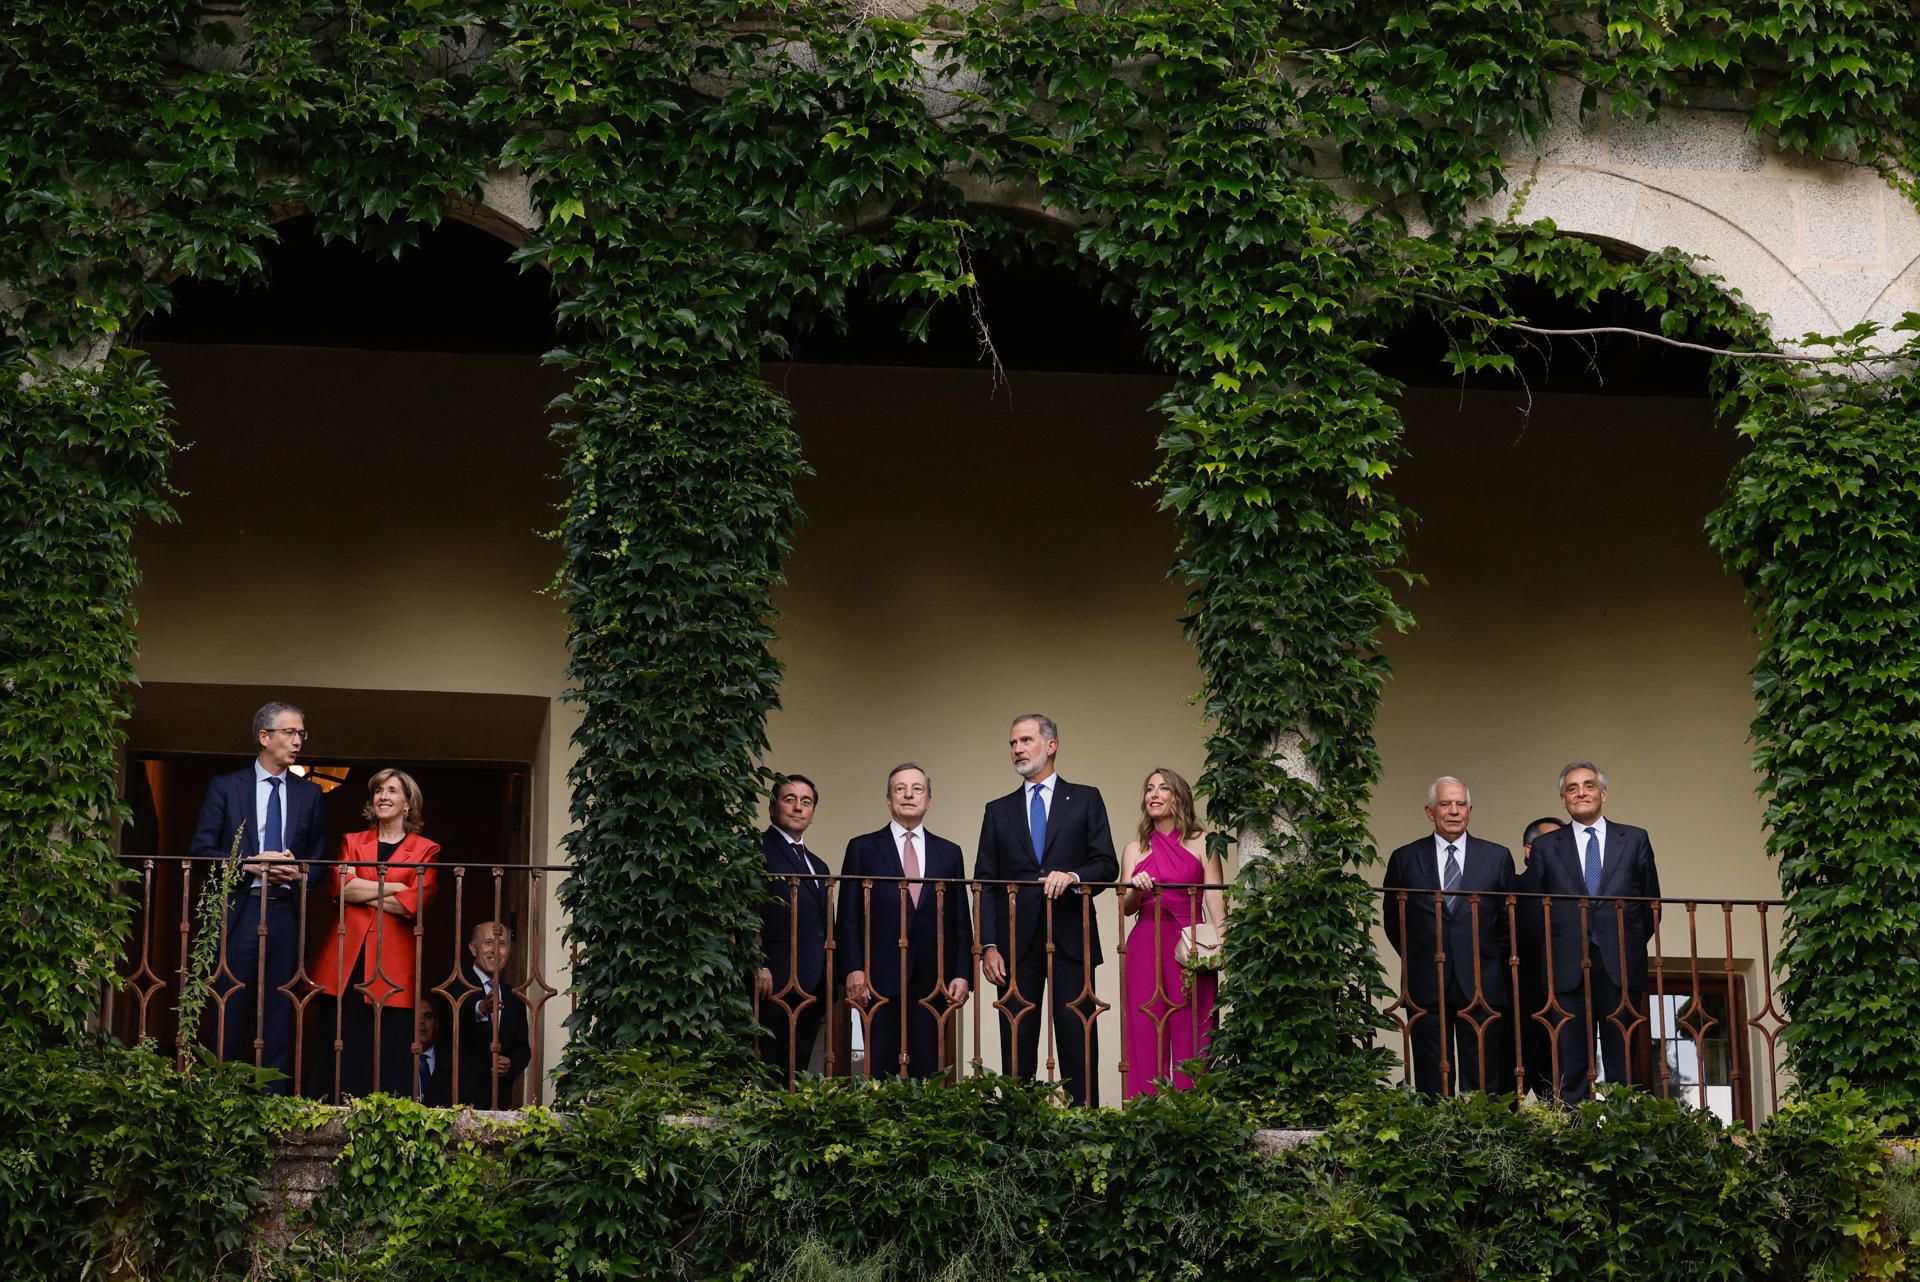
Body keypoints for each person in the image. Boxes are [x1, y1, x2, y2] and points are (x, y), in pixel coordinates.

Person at [975, 714, 1118, 1106]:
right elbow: (986, 883)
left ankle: (1082, 1126)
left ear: (1050, 746)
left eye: (1025, 741)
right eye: (1012, 743)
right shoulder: (998, 810)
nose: (1017, 749)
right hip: (1014, 944)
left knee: (1077, 1035)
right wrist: (988, 945)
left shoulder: (1086, 798)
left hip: (1073, 938)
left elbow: (1107, 866)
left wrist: (1073, 875)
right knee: (1017, 1040)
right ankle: (1019, 1129)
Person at [187, 701, 327, 1091]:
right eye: (289, 732)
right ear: (264, 737)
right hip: (240, 909)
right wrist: (247, 863)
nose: (298, 741)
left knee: (280, 1009)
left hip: (285, 912)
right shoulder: (226, 786)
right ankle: (217, 1096)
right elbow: (200, 854)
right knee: (227, 1001)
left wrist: (297, 873)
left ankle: (274, 1100)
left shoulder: (310, 795)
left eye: (301, 733)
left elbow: (319, 863)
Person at [1532, 760, 1662, 1103]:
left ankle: (1623, 1135)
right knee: (1571, 1061)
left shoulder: (1634, 839)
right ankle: (1574, 1134)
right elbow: (1535, 909)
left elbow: (1651, 904)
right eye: (1571, 789)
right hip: (1566, 966)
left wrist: (1626, 942)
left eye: (1589, 786)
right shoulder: (1547, 846)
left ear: (1603, 793)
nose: (1581, 793)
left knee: (1623, 1062)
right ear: (1563, 800)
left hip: (1619, 962)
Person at [308, 768, 439, 1101]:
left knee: (390, 1044)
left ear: (408, 803)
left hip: (393, 963)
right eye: (379, 790)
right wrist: (395, 885)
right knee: (341, 1040)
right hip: (348, 959)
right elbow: (341, 888)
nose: (383, 796)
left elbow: (416, 901)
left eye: (392, 791)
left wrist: (365, 887)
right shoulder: (352, 842)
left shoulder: (426, 850)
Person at [838, 764, 972, 1081]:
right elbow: (848, 916)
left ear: (928, 800)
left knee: (929, 1072)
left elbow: (960, 920)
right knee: (879, 1072)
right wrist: (853, 968)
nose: (909, 795)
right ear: (888, 799)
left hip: (933, 979)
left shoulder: (949, 852)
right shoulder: (862, 847)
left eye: (917, 789)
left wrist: (962, 973)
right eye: (900, 789)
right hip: (878, 979)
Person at [1381, 776, 1515, 1095]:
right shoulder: (1405, 858)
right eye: (1445, 804)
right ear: (1430, 811)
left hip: (1483, 981)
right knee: (1432, 1074)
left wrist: (1487, 957)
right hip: (1427, 979)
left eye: (1460, 804)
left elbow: (1509, 923)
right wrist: (1420, 956)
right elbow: (1394, 920)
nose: (1453, 811)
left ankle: (1481, 1137)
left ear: (1469, 810)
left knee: (1483, 1074)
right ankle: (1435, 1141)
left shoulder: (1497, 857)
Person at [1120, 767, 1224, 1099]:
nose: (1153, 794)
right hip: (1146, 944)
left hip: (1190, 944)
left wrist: (1222, 946)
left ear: (1178, 797)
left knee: (1192, 1029)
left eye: (1163, 788)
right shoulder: (1134, 848)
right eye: (1149, 788)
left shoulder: (1203, 843)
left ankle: (1191, 1112)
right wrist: (1136, 887)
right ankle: (1145, 1112)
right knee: (1145, 1028)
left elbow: (1215, 897)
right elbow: (1126, 907)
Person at [757, 774, 831, 1080]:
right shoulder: (757, 850)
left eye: (806, 802)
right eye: (790, 799)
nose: (798, 807)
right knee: (769, 1069)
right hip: (773, 980)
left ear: (812, 813)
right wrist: (757, 963)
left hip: (811, 984)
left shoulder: (819, 865)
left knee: (796, 1071)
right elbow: (746, 912)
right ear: (773, 808)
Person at [446, 920, 533, 1108]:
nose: (494, 950)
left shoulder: (514, 997)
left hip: (498, 1100)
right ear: (473, 949)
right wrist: (481, 1008)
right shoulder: (454, 983)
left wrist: (510, 1063)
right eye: (488, 943)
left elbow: (522, 1048)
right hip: (457, 1098)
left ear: (509, 951)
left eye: (501, 944)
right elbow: (448, 1022)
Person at [1513, 815, 1565, 1099]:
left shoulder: (1575, 895)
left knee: (1562, 1098)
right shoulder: (1510, 888)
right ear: (1528, 851)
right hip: (1516, 1006)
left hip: (1564, 1006)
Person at [415, 1004, 450, 1107]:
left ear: (436, 1023)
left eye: (428, 1016)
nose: (422, 1021)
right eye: (416, 1016)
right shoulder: (396, 1061)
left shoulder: (451, 1060)